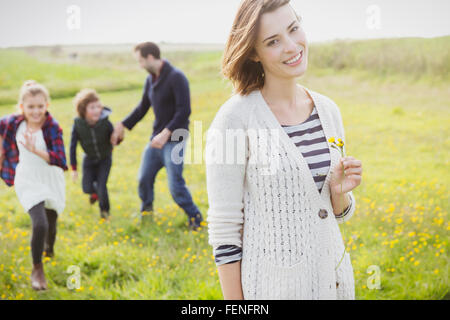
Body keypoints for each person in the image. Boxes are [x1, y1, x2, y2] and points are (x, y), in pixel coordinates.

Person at [205, 0, 363, 300]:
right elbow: (225, 231)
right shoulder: (234, 119)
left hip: (336, 284)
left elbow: (337, 214)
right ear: (254, 52)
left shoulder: (328, 111)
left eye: (294, 29)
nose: (292, 46)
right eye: (273, 41)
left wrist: (339, 192)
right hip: (274, 289)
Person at [111, 42, 203, 230]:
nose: (140, 66)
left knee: (175, 186)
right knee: (144, 179)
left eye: (141, 61)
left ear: (151, 57)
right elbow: (142, 108)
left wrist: (165, 134)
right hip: (156, 140)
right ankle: (147, 216)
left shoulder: (177, 77)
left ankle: (195, 218)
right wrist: (122, 124)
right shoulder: (150, 80)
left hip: (175, 139)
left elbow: (184, 111)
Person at [0, 80, 67, 291]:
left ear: (46, 105)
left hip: (51, 178)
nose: (36, 111)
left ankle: (49, 250)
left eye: (40, 106)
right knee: (40, 224)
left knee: (51, 224)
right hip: (27, 178)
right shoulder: (13, 123)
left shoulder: (52, 127)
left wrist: (34, 149)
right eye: (31, 106)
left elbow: (60, 160)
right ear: (22, 107)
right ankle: (37, 269)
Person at [70, 89, 115, 220]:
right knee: (86, 188)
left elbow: (114, 137)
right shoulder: (78, 125)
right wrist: (74, 168)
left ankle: (105, 213)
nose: (97, 110)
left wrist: (116, 140)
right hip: (89, 159)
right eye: (92, 107)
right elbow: (73, 146)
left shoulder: (105, 122)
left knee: (102, 186)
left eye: (98, 107)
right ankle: (94, 194)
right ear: (83, 110)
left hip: (105, 159)